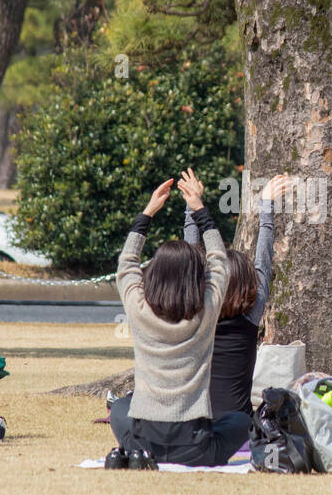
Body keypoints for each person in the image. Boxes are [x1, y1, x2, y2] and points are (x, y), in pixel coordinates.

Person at [107, 168, 249, 467]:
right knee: (240, 420)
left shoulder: (139, 311)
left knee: (120, 407)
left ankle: (135, 454)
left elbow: (126, 264)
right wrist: (199, 208)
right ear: (195, 278)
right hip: (196, 446)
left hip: (144, 441)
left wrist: (147, 213)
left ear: (153, 275)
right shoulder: (207, 311)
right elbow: (219, 262)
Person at [183, 173, 291, 419]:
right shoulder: (251, 316)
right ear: (249, 284)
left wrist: (191, 208)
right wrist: (266, 207)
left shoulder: (199, 313)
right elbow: (263, 261)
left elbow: (191, 258)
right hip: (238, 424)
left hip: (197, 419)